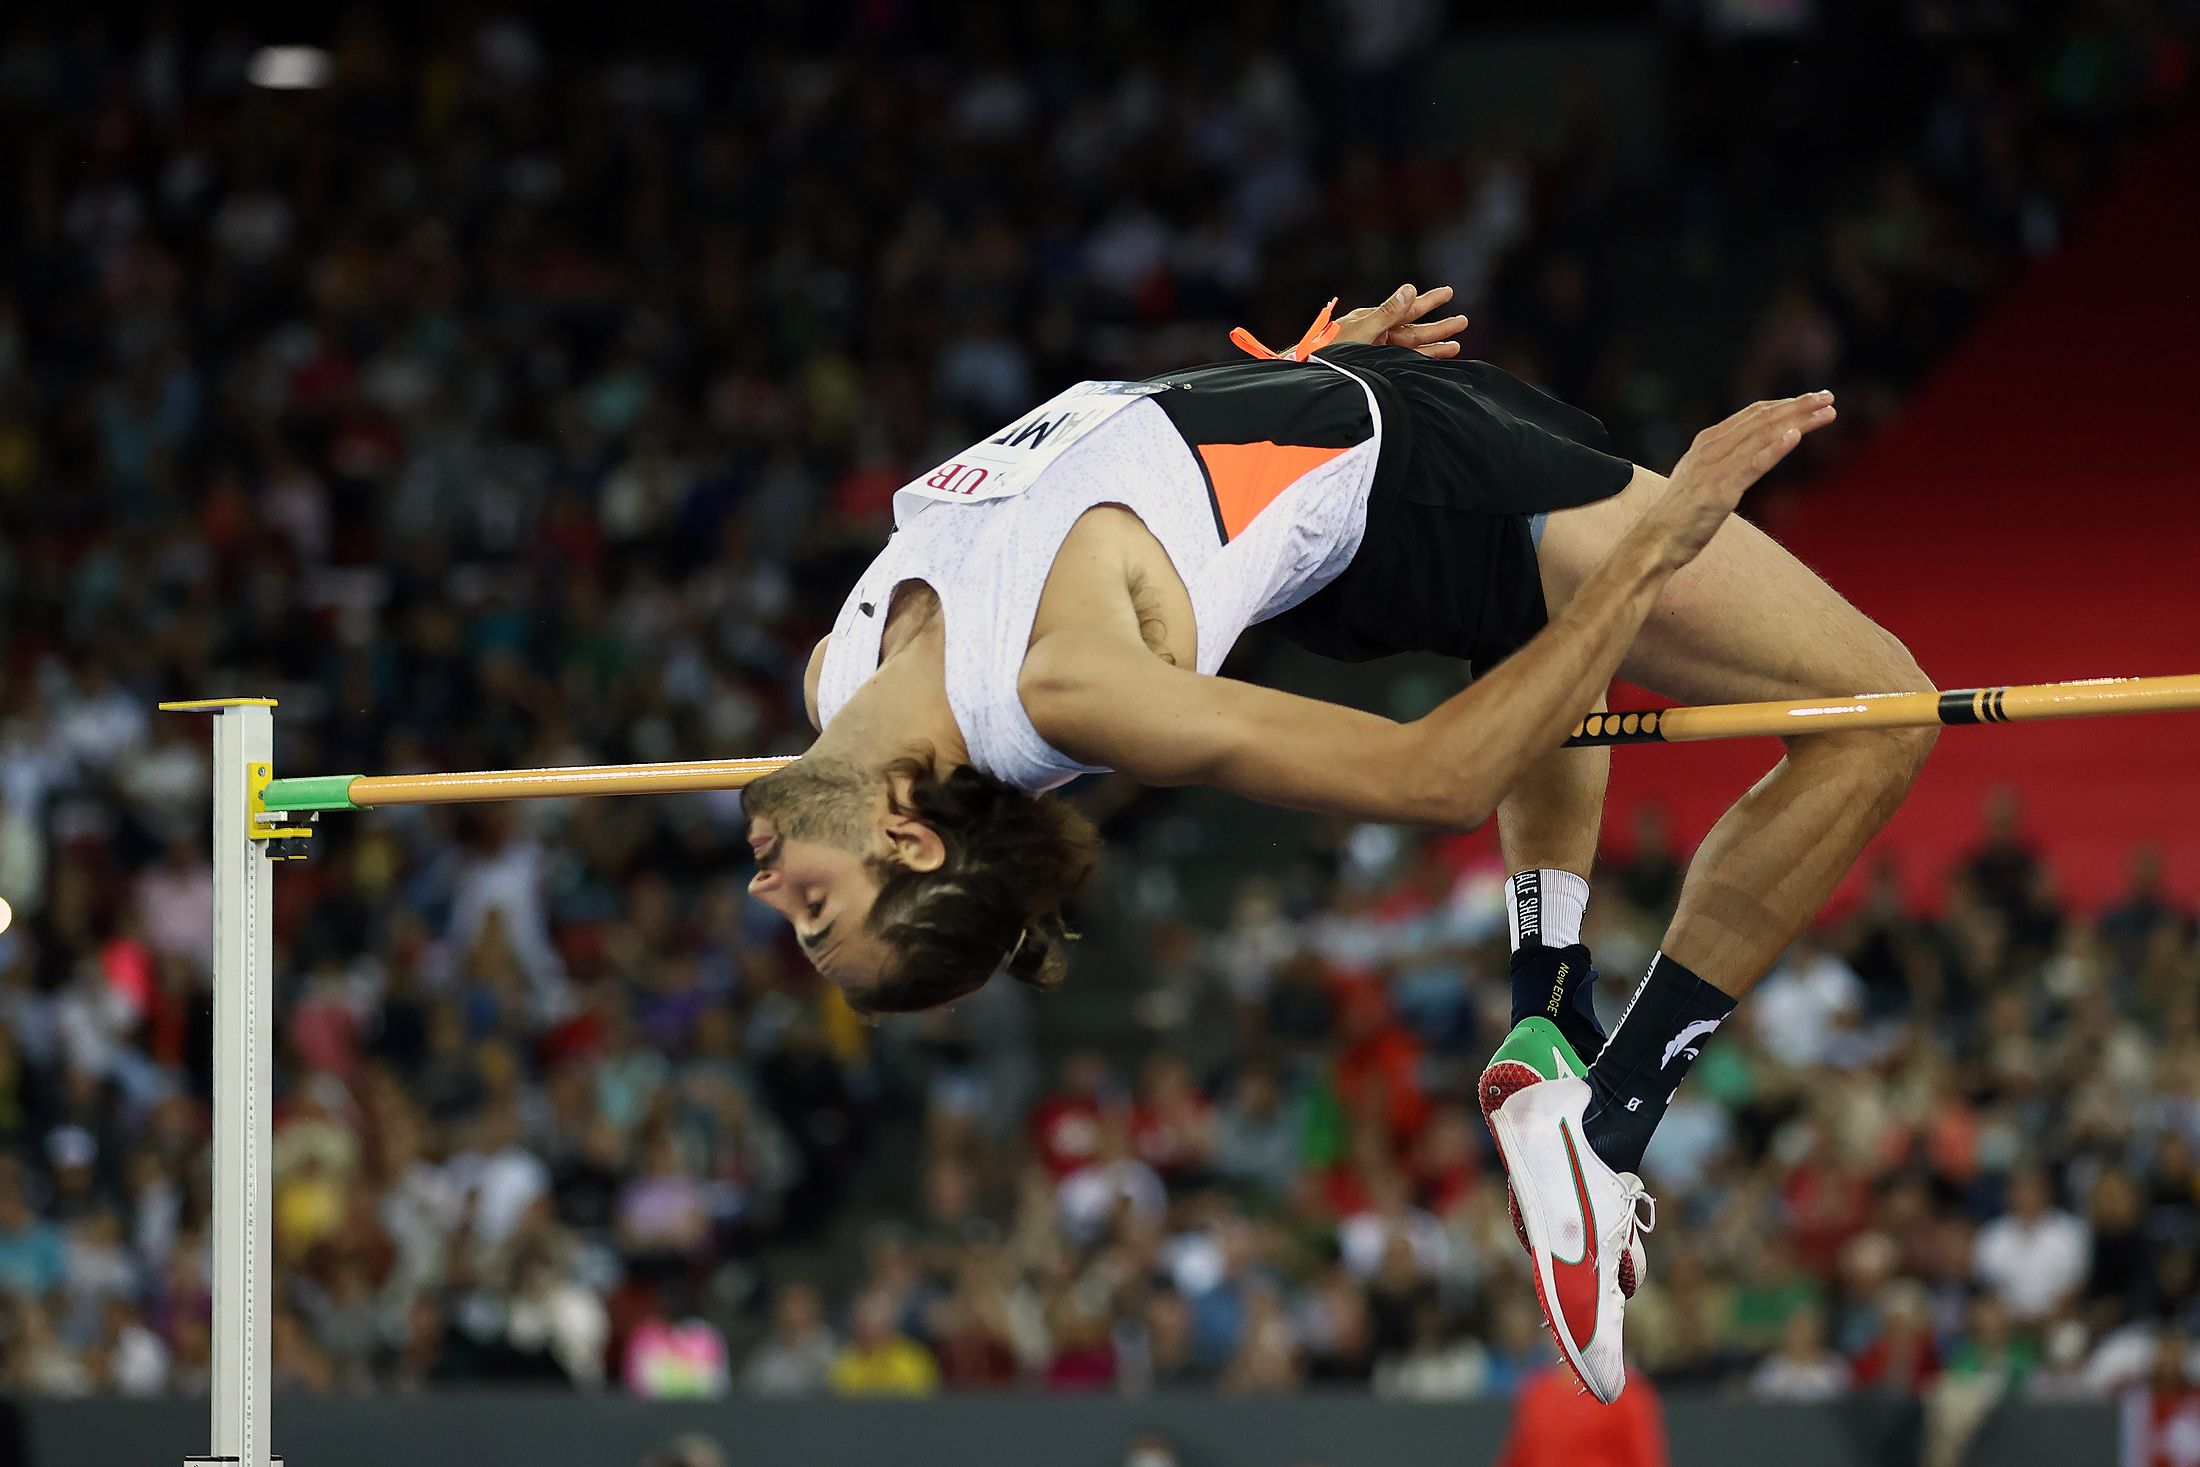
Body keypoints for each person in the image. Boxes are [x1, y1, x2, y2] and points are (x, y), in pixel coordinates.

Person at [743, 283, 1933, 1400]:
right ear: (904, 838)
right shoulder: (1067, 684)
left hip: (1358, 421)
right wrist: (1653, 546)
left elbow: (1099, 455)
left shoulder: (836, 671)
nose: (763, 885)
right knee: (1879, 713)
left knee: (1554, 613)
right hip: (1422, 487)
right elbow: (1443, 775)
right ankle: (1612, 1118)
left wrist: (1299, 380)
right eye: (813, 908)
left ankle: (1555, 1019)